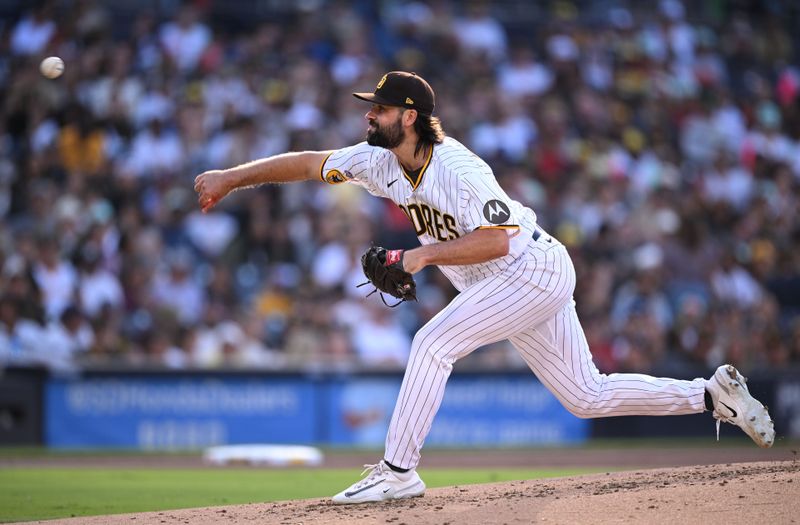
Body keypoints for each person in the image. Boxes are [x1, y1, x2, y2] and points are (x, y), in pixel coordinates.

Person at [194, 71, 775, 504]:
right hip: (510, 281)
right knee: (585, 395)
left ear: (411, 116)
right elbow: (307, 162)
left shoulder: (459, 169)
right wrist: (231, 178)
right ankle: (711, 395)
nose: (368, 116)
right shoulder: (376, 161)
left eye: (380, 110)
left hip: (529, 267)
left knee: (430, 343)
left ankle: (398, 474)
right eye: (370, 109)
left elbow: (498, 239)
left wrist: (417, 255)